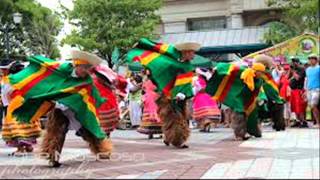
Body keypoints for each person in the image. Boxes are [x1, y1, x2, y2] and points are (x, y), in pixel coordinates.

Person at [289, 57, 307, 127]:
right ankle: (298, 121)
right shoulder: (294, 69)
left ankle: (303, 121)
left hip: (299, 90)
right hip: (293, 90)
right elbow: (288, 78)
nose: (293, 63)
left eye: (294, 62)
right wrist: (290, 71)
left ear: (297, 62)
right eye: (292, 62)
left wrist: (293, 71)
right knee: (294, 107)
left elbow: (297, 78)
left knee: (300, 106)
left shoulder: (301, 69)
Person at [305, 54, 320, 128]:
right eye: (309, 59)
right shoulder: (308, 69)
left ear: (316, 60)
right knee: (312, 106)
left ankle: (318, 122)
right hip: (309, 90)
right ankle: (316, 122)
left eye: (312, 59)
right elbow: (307, 80)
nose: (310, 60)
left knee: (314, 105)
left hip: (317, 89)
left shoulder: (319, 68)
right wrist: (305, 90)